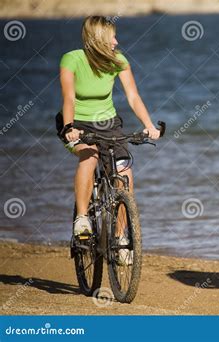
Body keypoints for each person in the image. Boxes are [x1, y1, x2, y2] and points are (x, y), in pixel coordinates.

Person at [58, 16, 161, 244]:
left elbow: (133, 97)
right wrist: (69, 127)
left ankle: (121, 237)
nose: (116, 41)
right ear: (97, 39)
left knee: (124, 173)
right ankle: (82, 219)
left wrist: (148, 125)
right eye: (111, 37)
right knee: (90, 156)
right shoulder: (72, 59)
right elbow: (69, 98)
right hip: (77, 123)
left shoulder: (119, 60)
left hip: (109, 124)